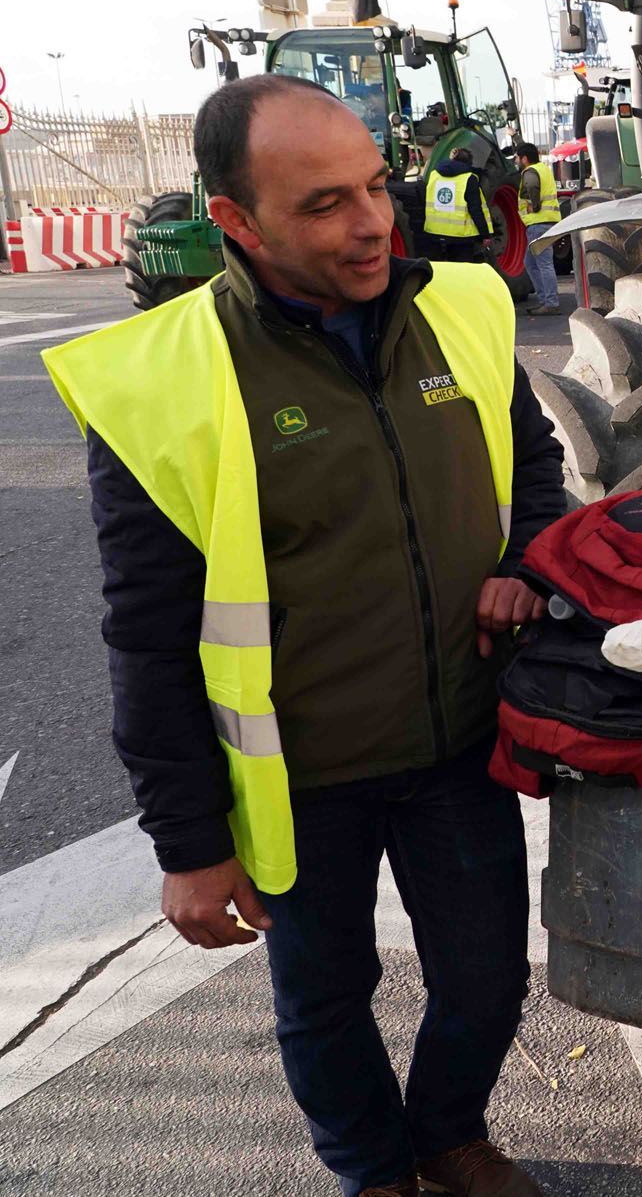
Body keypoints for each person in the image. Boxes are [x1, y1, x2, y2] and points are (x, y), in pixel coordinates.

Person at [43, 74, 567, 1197]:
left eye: (378, 185)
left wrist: (527, 563)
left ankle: (446, 1136)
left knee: (485, 984)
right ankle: (373, 1173)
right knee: (322, 1002)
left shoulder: (464, 311)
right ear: (235, 219)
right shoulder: (165, 381)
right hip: (298, 778)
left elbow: (535, 472)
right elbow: (146, 635)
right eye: (325, 203)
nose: (373, 221)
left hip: (459, 744)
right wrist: (186, 842)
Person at [514, 142, 562, 314]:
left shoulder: (530, 172)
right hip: (546, 222)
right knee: (531, 263)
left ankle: (551, 303)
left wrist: (533, 206)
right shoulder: (543, 169)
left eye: (518, 158)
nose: (517, 161)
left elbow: (533, 188)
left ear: (524, 159)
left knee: (544, 264)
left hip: (538, 222)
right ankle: (545, 300)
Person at [424, 145, 492, 263]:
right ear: (468, 163)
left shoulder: (434, 174)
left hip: (435, 234)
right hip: (461, 237)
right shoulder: (468, 179)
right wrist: (484, 235)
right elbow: (475, 209)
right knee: (462, 271)